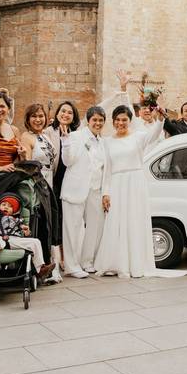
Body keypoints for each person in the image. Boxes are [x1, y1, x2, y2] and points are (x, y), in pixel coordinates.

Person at [94, 105, 187, 278]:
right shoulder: (107, 142)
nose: (120, 123)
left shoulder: (139, 137)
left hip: (135, 183)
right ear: (113, 121)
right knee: (116, 222)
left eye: (124, 119)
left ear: (130, 121)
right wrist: (106, 193)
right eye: (117, 120)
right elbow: (107, 169)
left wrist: (161, 119)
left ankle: (136, 263)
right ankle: (117, 262)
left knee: (134, 221)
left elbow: (154, 134)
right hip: (117, 183)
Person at [59, 106, 110, 279]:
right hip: (75, 188)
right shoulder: (75, 136)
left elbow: (104, 168)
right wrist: (65, 142)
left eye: (101, 120)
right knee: (72, 228)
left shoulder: (103, 142)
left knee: (95, 228)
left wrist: (105, 192)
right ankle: (71, 266)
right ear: (88, 121)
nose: (97, 123)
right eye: (94, 120)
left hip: (95, 190)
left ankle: (87, 262)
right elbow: (68, 161)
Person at [0, 193, 47, 277]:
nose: (6, 207)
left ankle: (40, 269)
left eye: (9, 206)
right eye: (4, 204)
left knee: (35, 242)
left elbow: (25, 234)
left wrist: (27, 232)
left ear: (14, 210)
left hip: (15, 240)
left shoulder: (18, 221)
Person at [20, 103, 56, 188]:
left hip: (49, 180)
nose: (38, 119)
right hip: (36, 183)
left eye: (41, 116)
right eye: (34, 116)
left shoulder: (45, 136)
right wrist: (24, 156)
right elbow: (26, 167)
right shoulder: (26, 136)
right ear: (28, 119)